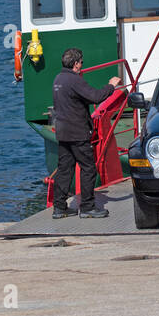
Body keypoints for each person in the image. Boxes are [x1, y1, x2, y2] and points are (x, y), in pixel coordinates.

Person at [51, 48, 121, 219]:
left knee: (64, 169)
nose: (82, 65)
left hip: (63, 132)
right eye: (81, 62)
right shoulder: (74, 80)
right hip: (77, 133)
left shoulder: (58, 79)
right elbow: (96, 96)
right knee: (88, 168)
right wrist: (111, 85)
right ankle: (88, 207)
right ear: (76, 64)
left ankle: (59, 207)